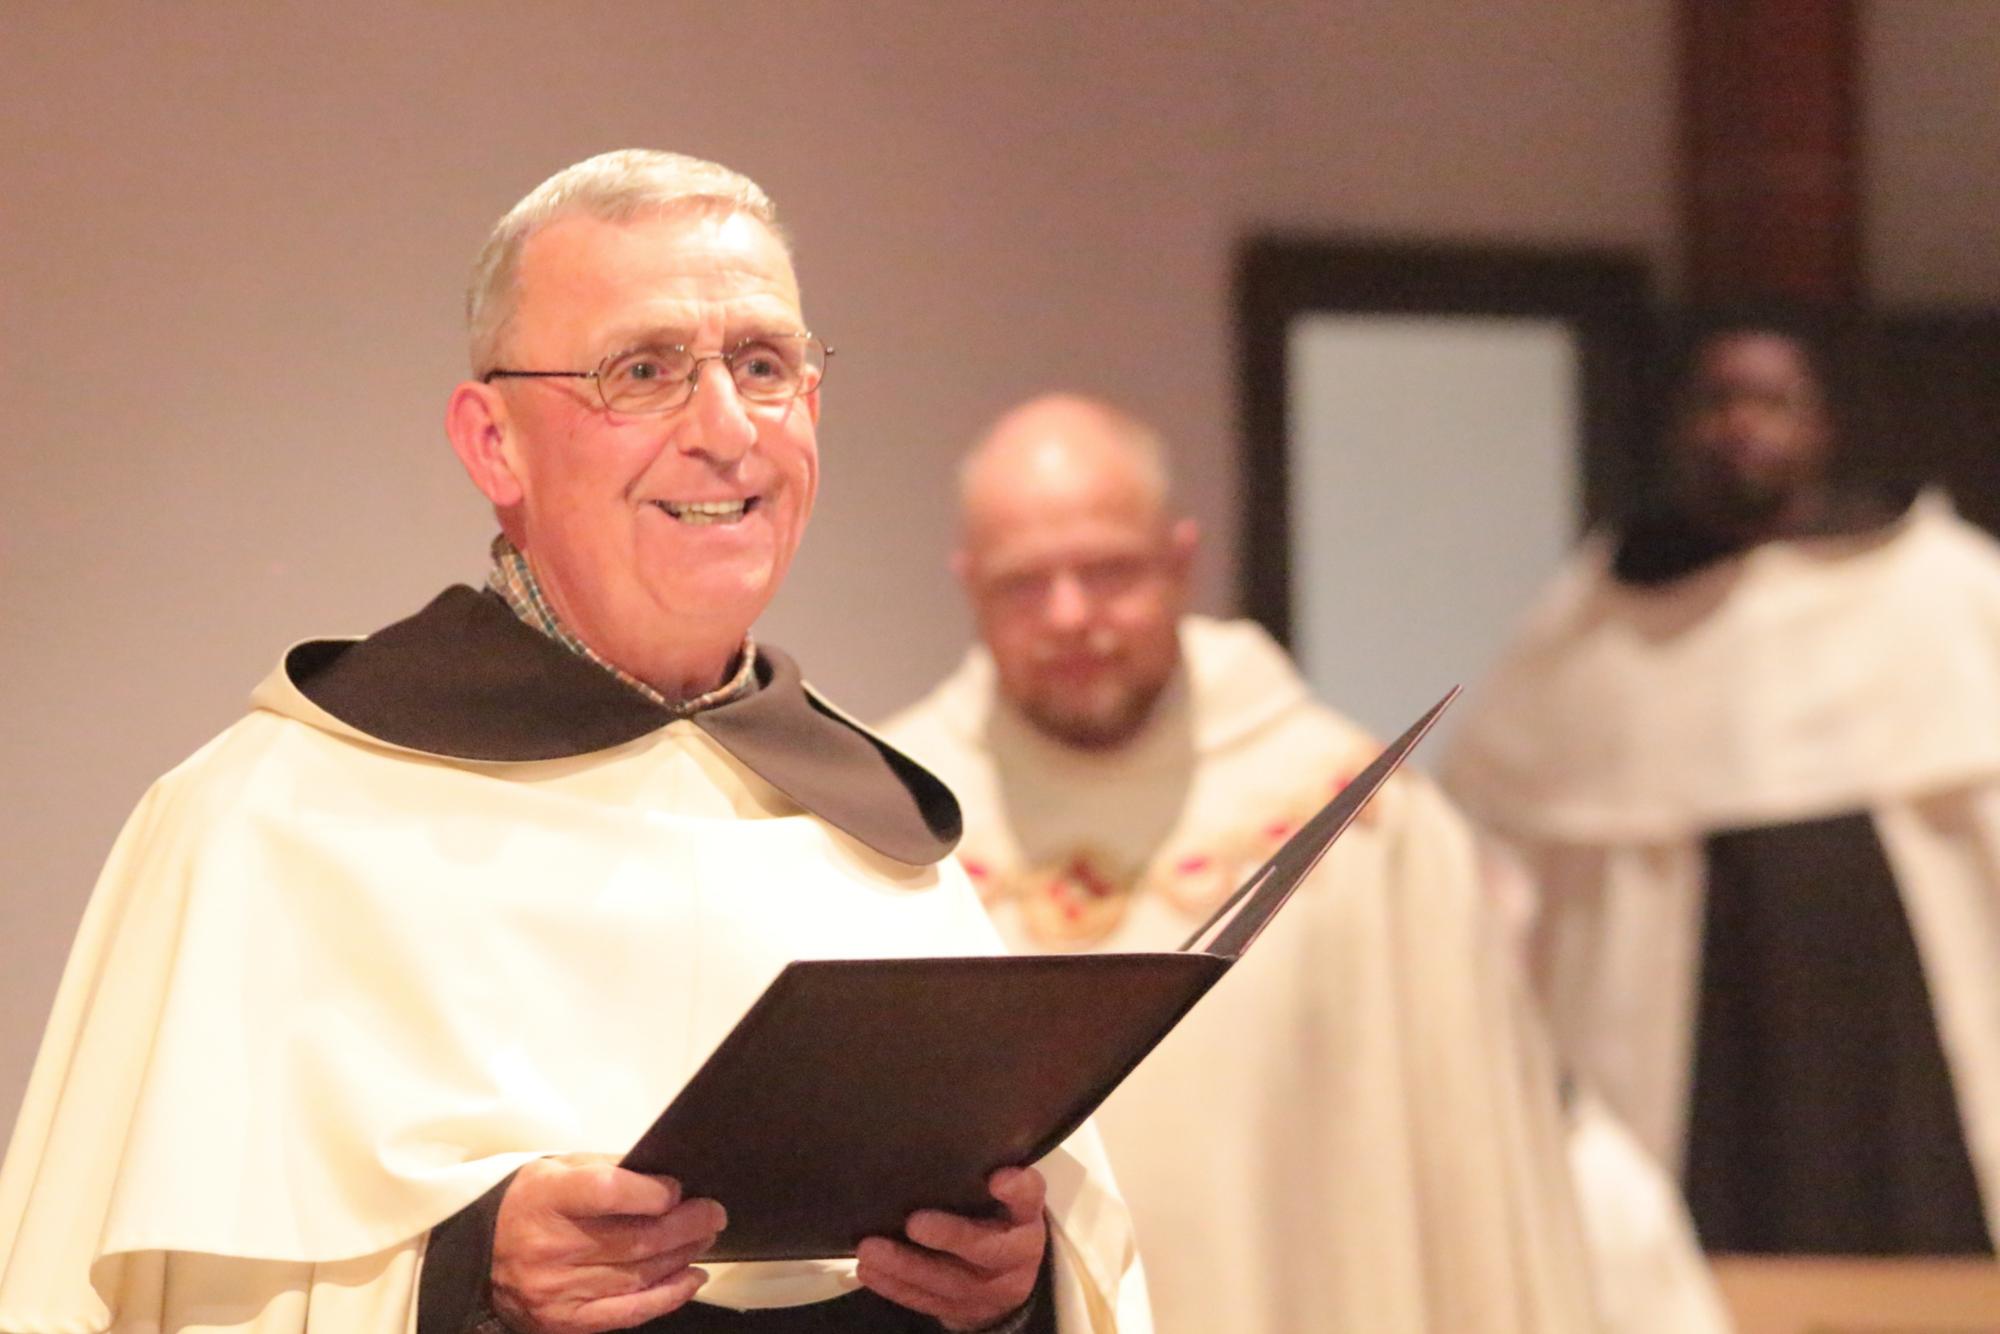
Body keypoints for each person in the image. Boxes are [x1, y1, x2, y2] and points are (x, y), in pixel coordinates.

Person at [0, 152, 1150, 1334]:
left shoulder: (886, 852)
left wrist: (1009, 1287)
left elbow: (1074, 1267)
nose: (724, 428)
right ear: (493, 443)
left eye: (763, 365)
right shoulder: (263, 826)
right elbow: (140, 1287)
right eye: (642, 370)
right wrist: (462, 1273)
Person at [883, 394, 1622, 1333]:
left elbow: (1476, 1196)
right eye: (1025, 584)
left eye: (1109, 572)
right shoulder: (897, 827)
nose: (1069, 615)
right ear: (968, 584)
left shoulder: (1362, 827)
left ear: (1182, 562)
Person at [1442, 311, 2000, 1255]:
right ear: (1679, 426)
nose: (1742, 425)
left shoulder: (1947, 590)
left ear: (1821, 426)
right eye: (1718, 401)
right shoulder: (1589, 623)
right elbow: (1487, 833)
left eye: (1772, 401)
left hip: (1900, 1032)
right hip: (1692, 1045)